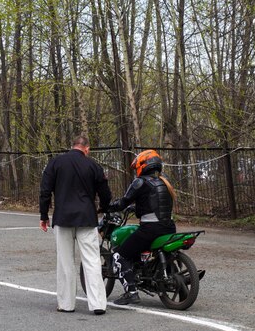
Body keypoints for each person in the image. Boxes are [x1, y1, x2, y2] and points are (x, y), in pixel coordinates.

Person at [39, 135, 112, 315]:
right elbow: (105, 192)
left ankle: (66, 303)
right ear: (86, 148)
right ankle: (98, 304)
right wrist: (103, 208)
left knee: (65, 262)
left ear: (72, 146)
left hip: (63, 218)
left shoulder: (56, 163)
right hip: (87, 218)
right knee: (92, 261)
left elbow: (45, 190)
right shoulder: (93, 166)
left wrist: (43, 215)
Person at [108, 149, 176, 305]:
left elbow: (124, 202)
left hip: (150, 230)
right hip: (169, 227)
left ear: (143, 165)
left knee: (119, 256)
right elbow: (152, 203)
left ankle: (131, 292)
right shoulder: (165, 181)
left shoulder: (140, 182)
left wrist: (109, 207)